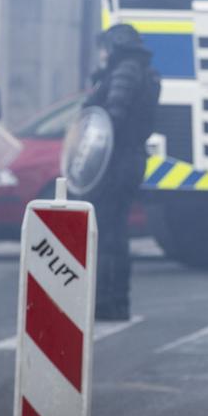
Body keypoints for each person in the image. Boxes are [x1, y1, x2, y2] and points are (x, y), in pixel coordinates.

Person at [83, 24, 159, 321]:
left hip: (117, 159)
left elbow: (110, 118)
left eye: (104, 47)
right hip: (131, 158)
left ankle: (107, 301)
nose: (102, 54)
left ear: (115, 45)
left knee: (107, 232)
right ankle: (116, 301)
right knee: (116, 231)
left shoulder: (125, 71)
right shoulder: (141, 70)